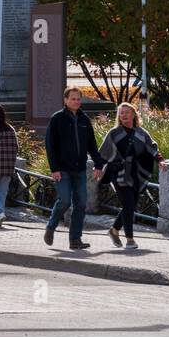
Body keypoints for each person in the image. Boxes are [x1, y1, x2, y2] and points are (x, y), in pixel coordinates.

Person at [44, 86, 106, 250]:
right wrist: (54, 168)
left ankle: (75, 239)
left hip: (80, 169)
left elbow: (92, 145)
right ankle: (51, 226)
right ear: (65, 100)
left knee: (81, 204)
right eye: (73, 99)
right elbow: (50, 145)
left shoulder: (84, 119)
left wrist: (98, 164)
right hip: (62, 169)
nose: (76, 102)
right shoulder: (57, 119)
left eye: (78, 99)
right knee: (64, 201)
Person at [98, 102, 165, 249]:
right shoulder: (114, 133)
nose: (124, 115)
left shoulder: (141, 133)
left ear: (134, 114)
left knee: (131, 206)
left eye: (127, 112)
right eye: (121, 113)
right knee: (128, 204)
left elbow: (151, 147)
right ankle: (130, 239)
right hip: (118, 173)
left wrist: (160, 160)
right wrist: (98, 167)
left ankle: (114, 230)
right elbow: (103, 153)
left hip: (136, 173)